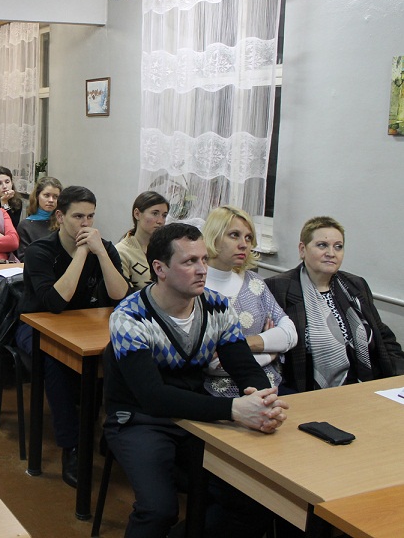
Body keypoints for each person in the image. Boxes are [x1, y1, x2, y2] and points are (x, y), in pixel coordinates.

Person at [105, 223, 289, 538]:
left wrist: (263, 401)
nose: (202, 269)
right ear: (160, 269)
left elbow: (244, 366)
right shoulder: (129, 316)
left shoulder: (217, 306)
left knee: (252, 500)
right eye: (190, 262)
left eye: (203, 259)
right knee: (158, 509)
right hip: (140, 420)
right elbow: (153, 397)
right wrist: (234, 410)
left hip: (195, 418)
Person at [16, 186, 127, 487]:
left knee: (124, 356)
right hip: (36, 327)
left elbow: (120, 295)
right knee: (55, 362)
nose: (85, 224)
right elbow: (54, 303)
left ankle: (112, 433)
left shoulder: (103, 248)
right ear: (60, 216)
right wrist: (81, 253)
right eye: (78, 216)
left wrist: (101, 253)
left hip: (84, 326)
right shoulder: (41, 251)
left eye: (90, 217)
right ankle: (72, 446)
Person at [265, 216, 404, 392]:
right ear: (302, 249)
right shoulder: (277, 288)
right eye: (322, 245)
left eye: (338, 246)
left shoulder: (355, 285)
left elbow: (383, 337)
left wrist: (399, 379)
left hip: (366, 386)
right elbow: (272, 355)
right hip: (307, 393)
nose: (331, 253)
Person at [202, 206, 297, 397]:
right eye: (234, 235)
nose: (244, 244)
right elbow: (212, 365)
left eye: (248, 237)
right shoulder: (197, 287)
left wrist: (242, 344)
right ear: (213, 236)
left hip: (272, 387)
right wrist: (270, 352)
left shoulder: (254, 282)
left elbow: (290, 334)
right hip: (218, 396)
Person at [116, 191, 170, 291]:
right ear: (137, 214)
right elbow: (123, 294)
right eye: (155, 213)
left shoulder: (166, 249)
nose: (160, 221)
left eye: (164, 215)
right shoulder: (121, 252)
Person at [16, 176, 62, 260]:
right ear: (37, 196)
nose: (51, 200)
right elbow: (23, 258)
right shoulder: (25, 226)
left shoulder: (62, 223)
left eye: (55, 197)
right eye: (46, 195)